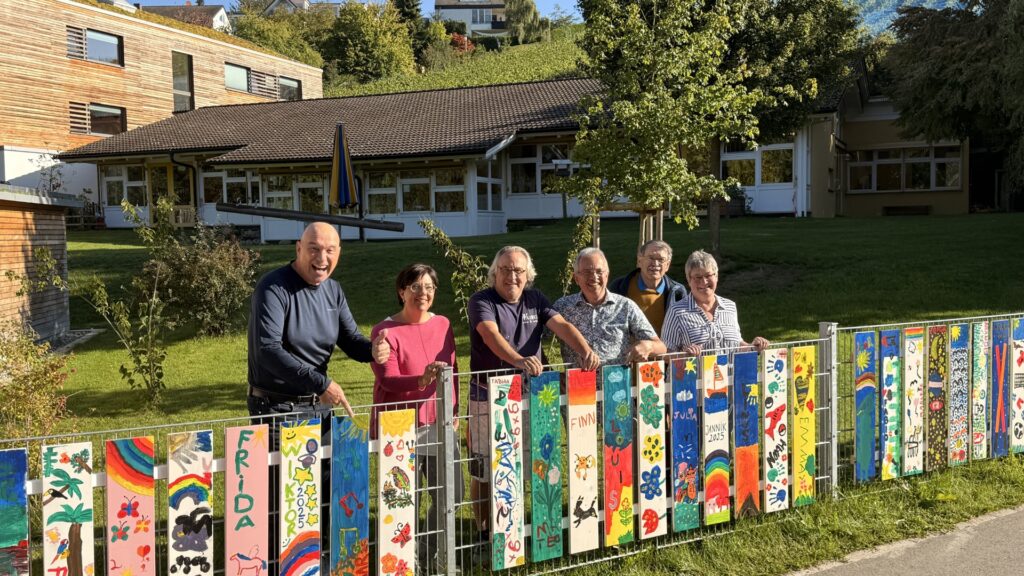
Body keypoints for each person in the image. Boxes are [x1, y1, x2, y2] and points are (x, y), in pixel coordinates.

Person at [466, 245, 600, 546]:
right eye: (505, 269)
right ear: (494, 273)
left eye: (518, 270)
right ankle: (484, 532)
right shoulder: (481, 301)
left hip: (530, 394)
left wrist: (585, 351)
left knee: (531, 463)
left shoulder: (535, 299)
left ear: (528, 275)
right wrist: (518, 360)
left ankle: (522, 525)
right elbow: (490, 334)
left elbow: (561, 325)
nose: (511, 276)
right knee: (485, 468)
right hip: (487, 396)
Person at [247, 221, 390, 430]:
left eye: (330, 250)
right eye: (314, 249)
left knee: (330, 455)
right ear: (299, 248)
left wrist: (373, 350)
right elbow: (267, 350)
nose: (322, 258)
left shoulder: (333, 290)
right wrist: (321, 384)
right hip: (277, 409)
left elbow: (351, 340)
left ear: (339, 252)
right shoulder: (273, 288)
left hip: (320, 405)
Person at [370, 263, 463, 572]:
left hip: (440, 422)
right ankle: (406, 561)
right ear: (402, 292)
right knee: (404, 499)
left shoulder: (443, 324)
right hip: (400, 427)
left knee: (452, 494)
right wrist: (421, 380)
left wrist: (454, 409)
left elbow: (453, 369)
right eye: (415, 287)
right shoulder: (384, 331)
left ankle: (430, 551)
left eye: (429, 287)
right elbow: (387, 380)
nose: (423, 293)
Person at [553, 247, 667, 367]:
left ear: (607, 275)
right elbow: (539, 335)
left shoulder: (625, 306)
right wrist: (549, 370)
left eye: (599, 272)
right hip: (578, 379)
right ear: (576, 278)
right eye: (587, 272)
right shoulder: (563, 306)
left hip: (617, 378)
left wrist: (648, 346)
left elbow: (661, 347)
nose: (594, 277)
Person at [661, 249, 770, 355]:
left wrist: (753, 347)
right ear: (689, 280)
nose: (704, 281)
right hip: (695, 368)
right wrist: (685, 355)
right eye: (698, 277)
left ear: (716, 276)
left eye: (708, 275)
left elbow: (736, 345)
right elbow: (665, 353)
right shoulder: (676, 311)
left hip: (730, 368)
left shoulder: (730, 306)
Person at [608, 239, 687, 334]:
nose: (655, 264)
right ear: (639, 260)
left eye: (661, 260)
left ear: (667, 265)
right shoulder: (619, 286)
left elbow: (683, 327)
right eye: (651, 258)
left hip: (664, 343)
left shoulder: (677, 292)